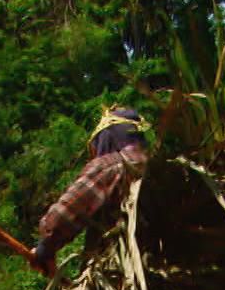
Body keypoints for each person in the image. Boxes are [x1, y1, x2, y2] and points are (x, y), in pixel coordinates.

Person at [29, 106, 150, 276]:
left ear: (107, 138)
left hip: (118, 275)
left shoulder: (112, 165)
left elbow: (65, 214)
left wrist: (45, 249)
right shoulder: (158, 169)